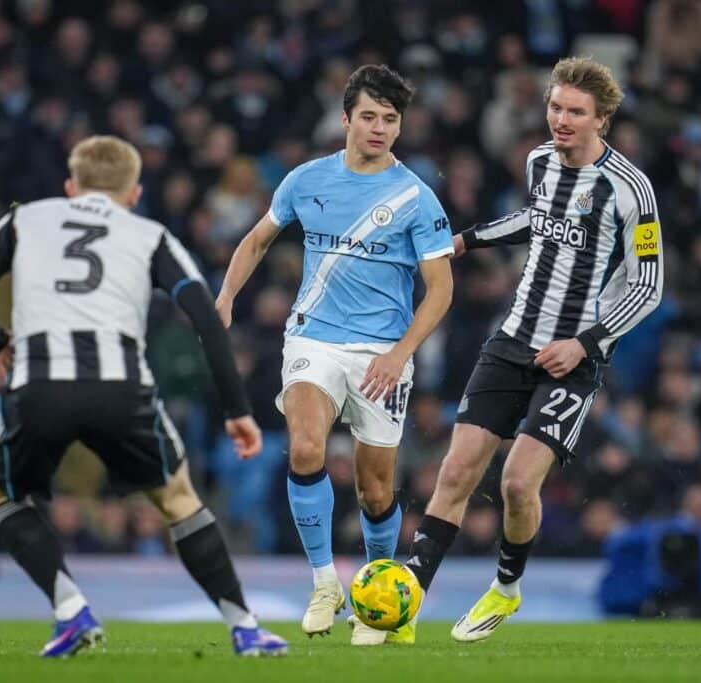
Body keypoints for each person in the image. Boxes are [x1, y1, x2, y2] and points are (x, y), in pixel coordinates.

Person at [0, 135, 287, 658]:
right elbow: (207, 320)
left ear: (70, 186)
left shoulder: (24, 219)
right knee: (178, 501)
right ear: (134, 193)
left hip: (39, 385)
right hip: (122, 389)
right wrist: (238, 411)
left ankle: (70, 608)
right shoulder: (150, 234)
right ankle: (245, 627)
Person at [404, 56, 665, 642]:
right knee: (455, 470)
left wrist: (585, 344)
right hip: (513, 338)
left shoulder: (630, 189)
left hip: (574, 356)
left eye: (576, 112)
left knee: (519, 484)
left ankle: (506, 588)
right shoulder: (539, 161)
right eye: (555, 107)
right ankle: (408, 596)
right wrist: (467, 241)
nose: (561, 120)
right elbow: (537, 218)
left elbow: (648, 286)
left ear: (602, 119)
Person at [215, 64, 454, 645]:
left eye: (390, 119)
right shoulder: (306, 180)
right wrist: (224, 298)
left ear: (400, 127)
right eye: (369, 116)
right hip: (313, 336)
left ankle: (380, 597)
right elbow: (257, 239)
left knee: (376, 491)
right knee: (304, 447)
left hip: (382, 351)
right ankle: (325, 583)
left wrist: (400, 354)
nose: (379, 128)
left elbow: (442, 288)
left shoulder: (415, 197)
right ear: (346, 118)